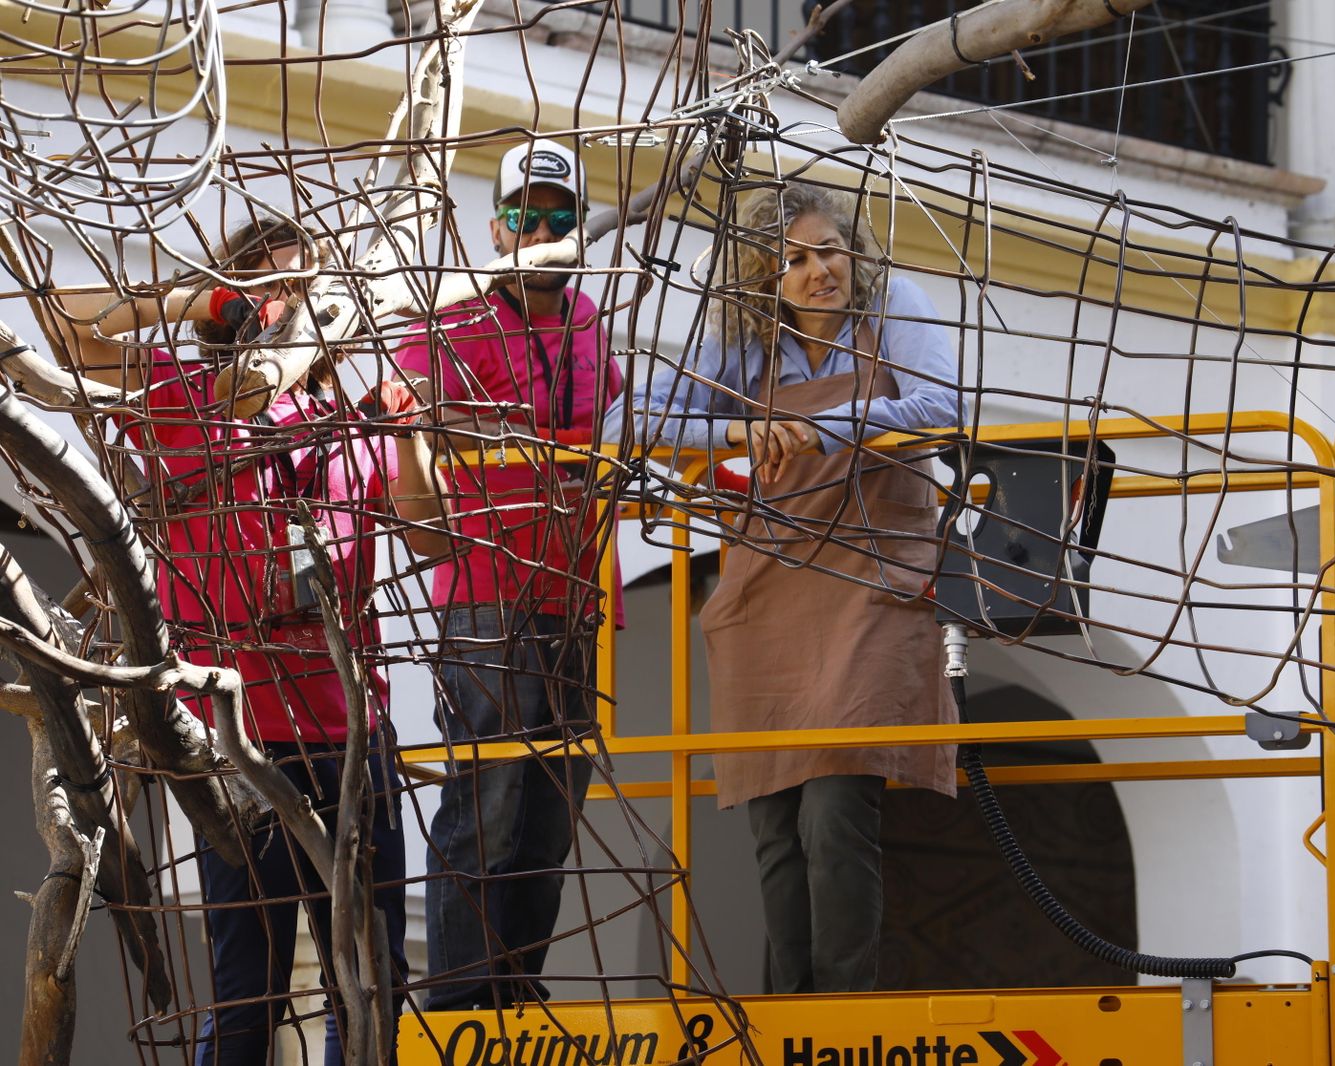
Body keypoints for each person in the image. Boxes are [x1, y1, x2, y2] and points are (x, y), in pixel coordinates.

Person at [47, 220, 446, 1064]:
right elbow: (64, 326)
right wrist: (200, 298)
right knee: (247, 996)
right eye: (266, 286)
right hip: (238, 745)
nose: (286, 302)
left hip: (351, 738)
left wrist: (410, 431)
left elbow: (430, 536)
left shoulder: (352, 422)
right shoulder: (186, 400)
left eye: (303, 288)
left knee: (371, 984)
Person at [604, 180, 962, 993]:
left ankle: (840, 1014)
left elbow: (943, 405)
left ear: (854, 253)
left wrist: (822, 430)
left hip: (871, 578)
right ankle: (788, 1013)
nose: (816, 272)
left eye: (828, 251)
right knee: (772, 824)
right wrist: (742, 427)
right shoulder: (745, 342)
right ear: (766, 275)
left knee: (835, 810)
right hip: (770, 583)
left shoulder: (893, 305)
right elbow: (627, 422)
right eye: (793, 259)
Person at [393, 137, 622, 1009]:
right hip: (489, 598)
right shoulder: (454, 319)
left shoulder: (591, 319)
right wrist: (503, 432)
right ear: (496, 229)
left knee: (551, 820)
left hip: (578, 598)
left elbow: (618, 420)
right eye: (525, 217)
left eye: (561, 218)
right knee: (486, 810)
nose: (544, 234)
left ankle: (514, 1000)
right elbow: (416, 409)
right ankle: (461, 1010)